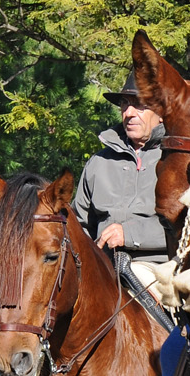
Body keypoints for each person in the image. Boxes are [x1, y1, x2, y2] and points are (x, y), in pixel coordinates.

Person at [72, 70, 168, 261]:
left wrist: (131, 235)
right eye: (125, 103)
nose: (128, 113)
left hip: (160, 269)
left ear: (162, 112)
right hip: (102, 268)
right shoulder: (98, 162)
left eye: (139, 105)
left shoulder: (180, 161)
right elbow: (78, 225)